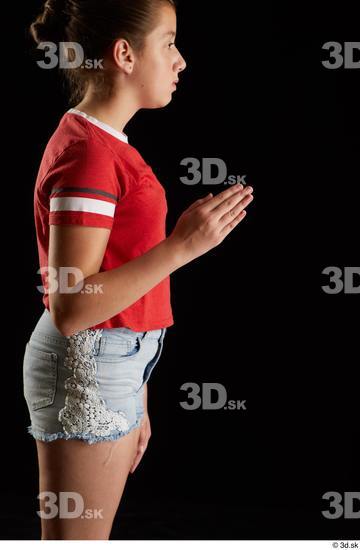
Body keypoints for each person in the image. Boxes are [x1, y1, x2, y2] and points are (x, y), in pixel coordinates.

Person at [24, 0, 255, 540]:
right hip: (91, 367)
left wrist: (139, 390)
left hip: (117, 365)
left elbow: (117, 276)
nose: (181, 61)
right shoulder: (90, 157)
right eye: (169, 42)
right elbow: (73, 307)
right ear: (125, 54)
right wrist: (184, 246)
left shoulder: (104, 143)